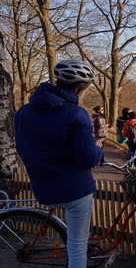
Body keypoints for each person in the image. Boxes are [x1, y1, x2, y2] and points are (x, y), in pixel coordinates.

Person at [15, 59, 103, 268]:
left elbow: (23, 148)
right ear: (78, 88)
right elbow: (87, 159)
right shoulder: (76, 113)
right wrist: (98, 150)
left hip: (43, 189)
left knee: (74, 243)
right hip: (75, 191)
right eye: (86, 90)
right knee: (77, 247)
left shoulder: (23, 112)